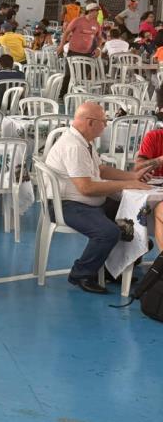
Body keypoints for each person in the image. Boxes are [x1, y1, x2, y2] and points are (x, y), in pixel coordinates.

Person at [45, 102, 154, 294]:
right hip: (67, 205)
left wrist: (132, 176)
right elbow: (86, 188)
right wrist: (127, 184)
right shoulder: (73, 146)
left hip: (84, 202)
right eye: (104, 121)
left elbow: (100, 169)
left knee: (133, 221)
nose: (106, 125)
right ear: (90, 122)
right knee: (108, 233)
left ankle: (115, 266)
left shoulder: (83, 141)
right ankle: (82, 273)